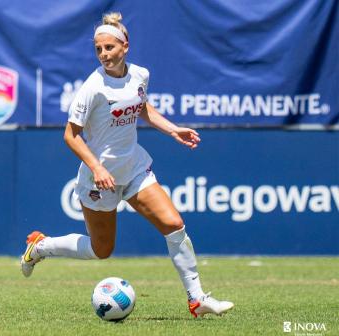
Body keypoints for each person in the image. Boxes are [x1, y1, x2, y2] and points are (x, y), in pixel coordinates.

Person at [20, 12, 233, 318]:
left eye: (109, 47)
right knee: (101, 250)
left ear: (125, 46)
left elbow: (142, 107)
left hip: (133, 167)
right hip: (99, 179)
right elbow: (71, 135)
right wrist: (97, 168)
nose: (104, 54)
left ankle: (197, 299)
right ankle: (40, 247)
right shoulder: (92, 87)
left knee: (174, 225)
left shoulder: (140, 75)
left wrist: (173, 129)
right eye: (98, 49)